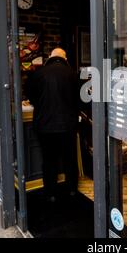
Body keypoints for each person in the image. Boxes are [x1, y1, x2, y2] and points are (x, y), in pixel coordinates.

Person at [27, 48, 79, 202]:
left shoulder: (38, 74)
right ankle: (72, 189)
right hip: (67, 125)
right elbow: (79, 100)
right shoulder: (73, 74)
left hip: (45, 125)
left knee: (49, 160)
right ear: (65, 57)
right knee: (70, 158)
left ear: (50, 56)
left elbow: (32, 98)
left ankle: (50, 193)